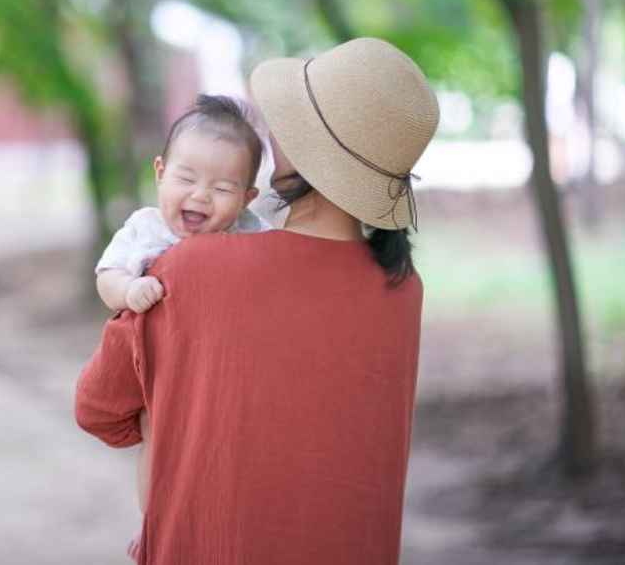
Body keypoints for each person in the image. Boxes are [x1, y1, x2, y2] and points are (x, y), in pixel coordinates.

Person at [75, 37, 440, 564]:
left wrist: (178, 425)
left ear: (310, 153)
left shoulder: (191, 266)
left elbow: (97, 408)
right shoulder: (402, 288)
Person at [94, 95, 268, 559]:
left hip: (224, 365)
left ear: (248, 197)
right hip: (168, 367)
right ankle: (154, 522)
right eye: (186, 178)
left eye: (223, 188)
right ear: (159, 173)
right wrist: (130, 291)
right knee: (157, 433)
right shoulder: (146, 229)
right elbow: (106, 276)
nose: (200, 195)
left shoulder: (253, 234)